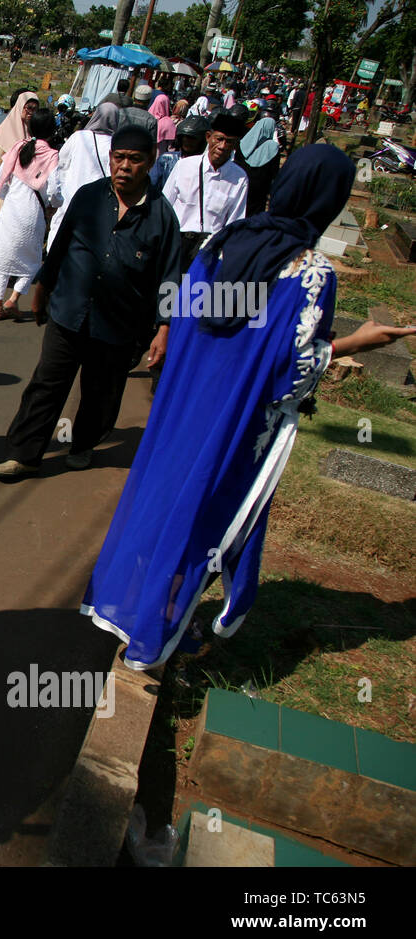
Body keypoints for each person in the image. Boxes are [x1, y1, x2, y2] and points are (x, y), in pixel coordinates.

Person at [82, 145, 416, 671]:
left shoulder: (224, 243)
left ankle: (140, 608)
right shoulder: (311, 274)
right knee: (213, 516)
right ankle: (164, 629)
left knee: (167, 501)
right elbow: (294, 371)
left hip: (185, 405)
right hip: (234, 423)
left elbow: (192, 318)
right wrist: (357, 341)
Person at [0, 125, 181, 477]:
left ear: (150, 162)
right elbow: (61, 245)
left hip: (119, 323)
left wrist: (164, 328)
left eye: (134, 160)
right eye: (119, 158)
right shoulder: (89, 197)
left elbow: (169, 277)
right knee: (46, 384)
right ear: (110, 159)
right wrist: (42, 288)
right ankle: (24, 455)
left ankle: (83, 444)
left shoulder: (162, 217)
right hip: (69, 310)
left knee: (102, 392)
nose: (124, 166)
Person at [0, 108, 58, 320]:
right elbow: (54, 191)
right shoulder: (51, 156)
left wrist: (8, 195)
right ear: (52, 131)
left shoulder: (18, 147)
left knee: (3, 257)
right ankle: (13, 299)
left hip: (10, 211)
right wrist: (53, 205)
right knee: (30, 259)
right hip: (33, 215)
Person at [163, 110, 249, 267]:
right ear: (209, 137)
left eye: (229, 142)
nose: (222, 146)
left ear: (235, 145)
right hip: (176, 243)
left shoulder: (239, 178)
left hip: (208, 250)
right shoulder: (185, 165)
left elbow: (235, 221)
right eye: (219, 139)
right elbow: (164, 205)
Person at [45, 101, 118, 251]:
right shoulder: (115, 144)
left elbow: (61, 164)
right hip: (97, 202)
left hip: (69, 196)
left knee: (59, 232)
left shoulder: (79, 137)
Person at [0, 90, 38, 217]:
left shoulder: (33, 131)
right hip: (2, 183)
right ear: (20, 106)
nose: (31, 112)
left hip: (19, 186)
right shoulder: (6, 127)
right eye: (29, 108)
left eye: (35, 109)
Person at [235, 113, 280, 215]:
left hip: (241, 183)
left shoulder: (244, 142)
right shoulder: (272, 147)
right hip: (260, 188)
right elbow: (274, 172)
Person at [150, 113, 207, 189]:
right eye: (185, 137)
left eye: (192, 138)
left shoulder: (206, 166)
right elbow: (151, 184)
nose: (187, 141)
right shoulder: (167, 159)